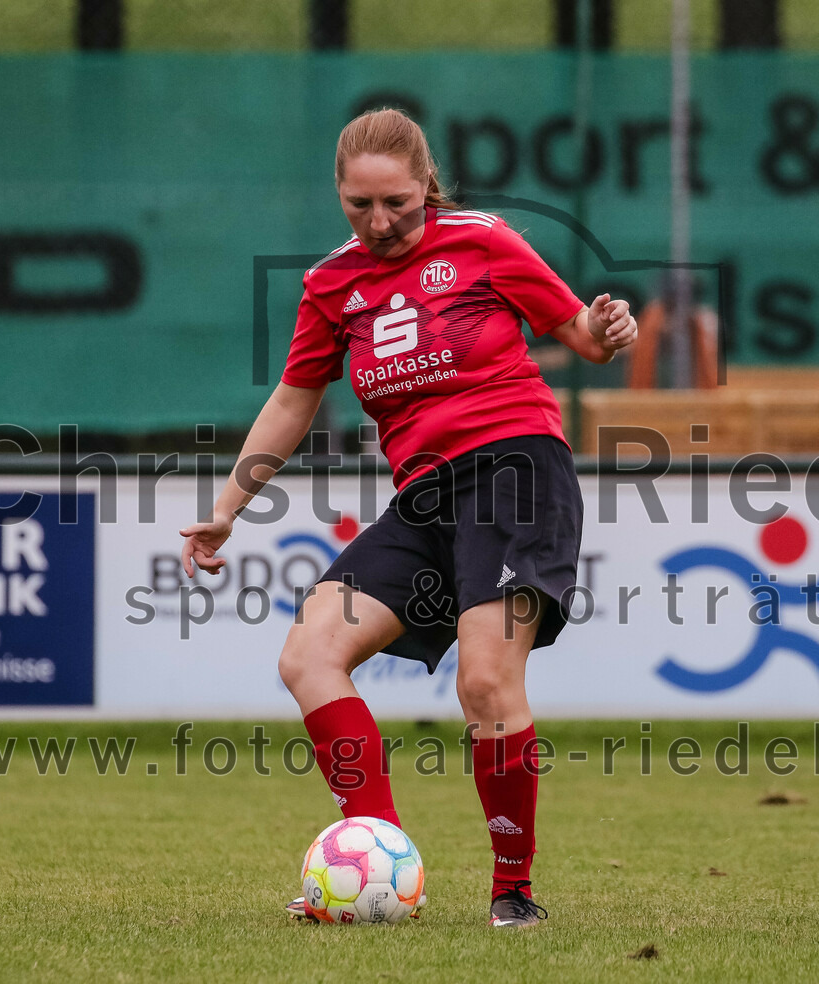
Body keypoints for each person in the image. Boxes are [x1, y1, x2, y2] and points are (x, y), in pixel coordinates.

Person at [179, 108, 637, 928]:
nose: (380, 221)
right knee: (310, 653)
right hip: (424, 499)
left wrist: (606, 329)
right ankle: (382, 853)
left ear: (427, 186)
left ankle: (513, 891)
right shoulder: (330, 286)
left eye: (397, 202)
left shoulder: (484, 242)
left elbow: (581, 335)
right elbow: (292, 401)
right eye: (360, 205)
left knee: (486, 681)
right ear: (340, 197)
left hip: (515, 469)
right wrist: (225, 510)